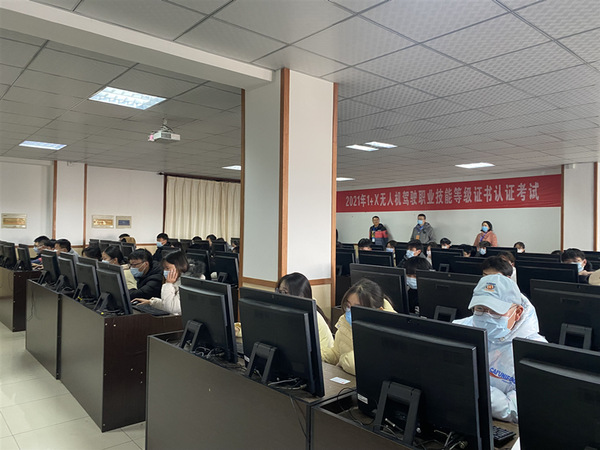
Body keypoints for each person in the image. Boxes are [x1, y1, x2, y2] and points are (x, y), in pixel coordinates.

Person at [454, 274, 546, 423]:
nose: (486, 316)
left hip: (502, 425)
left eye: (495, 311)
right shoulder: (461, 328)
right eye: (480, 308)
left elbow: (516, 410)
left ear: (517, 312)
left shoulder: (535, 350)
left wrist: (474, 387)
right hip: (461, 412)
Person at [322, 279, 395, 375]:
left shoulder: (388, 330)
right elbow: (337, 353)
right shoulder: (345, 321)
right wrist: (316, 355)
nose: (349, 311)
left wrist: (342, 361)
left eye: (357, 308)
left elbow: (360, 364)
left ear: (378, 311)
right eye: (348, 305)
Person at [274, 273, 333, 358]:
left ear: (301, 296)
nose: (280, 296)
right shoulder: (290, 312)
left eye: (285, 292)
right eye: (279, 291)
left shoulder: (311, 317)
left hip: (322, 360)